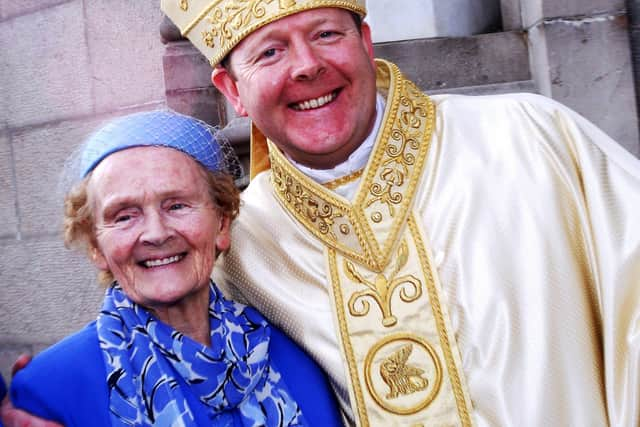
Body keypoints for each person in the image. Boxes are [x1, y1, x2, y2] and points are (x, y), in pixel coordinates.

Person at [4, 0, 640, 425]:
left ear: (366, 40)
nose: (307, 66)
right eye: (270, 51)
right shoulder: (247, 238)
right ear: (233, 91)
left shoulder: (534, 140)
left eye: (327, 34)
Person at [5, 110, 342, 426]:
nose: (156, 233)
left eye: (177, 205)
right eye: (124, 216)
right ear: (96, 247)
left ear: (222, 224)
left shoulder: (294, 351)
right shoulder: (49, 391)